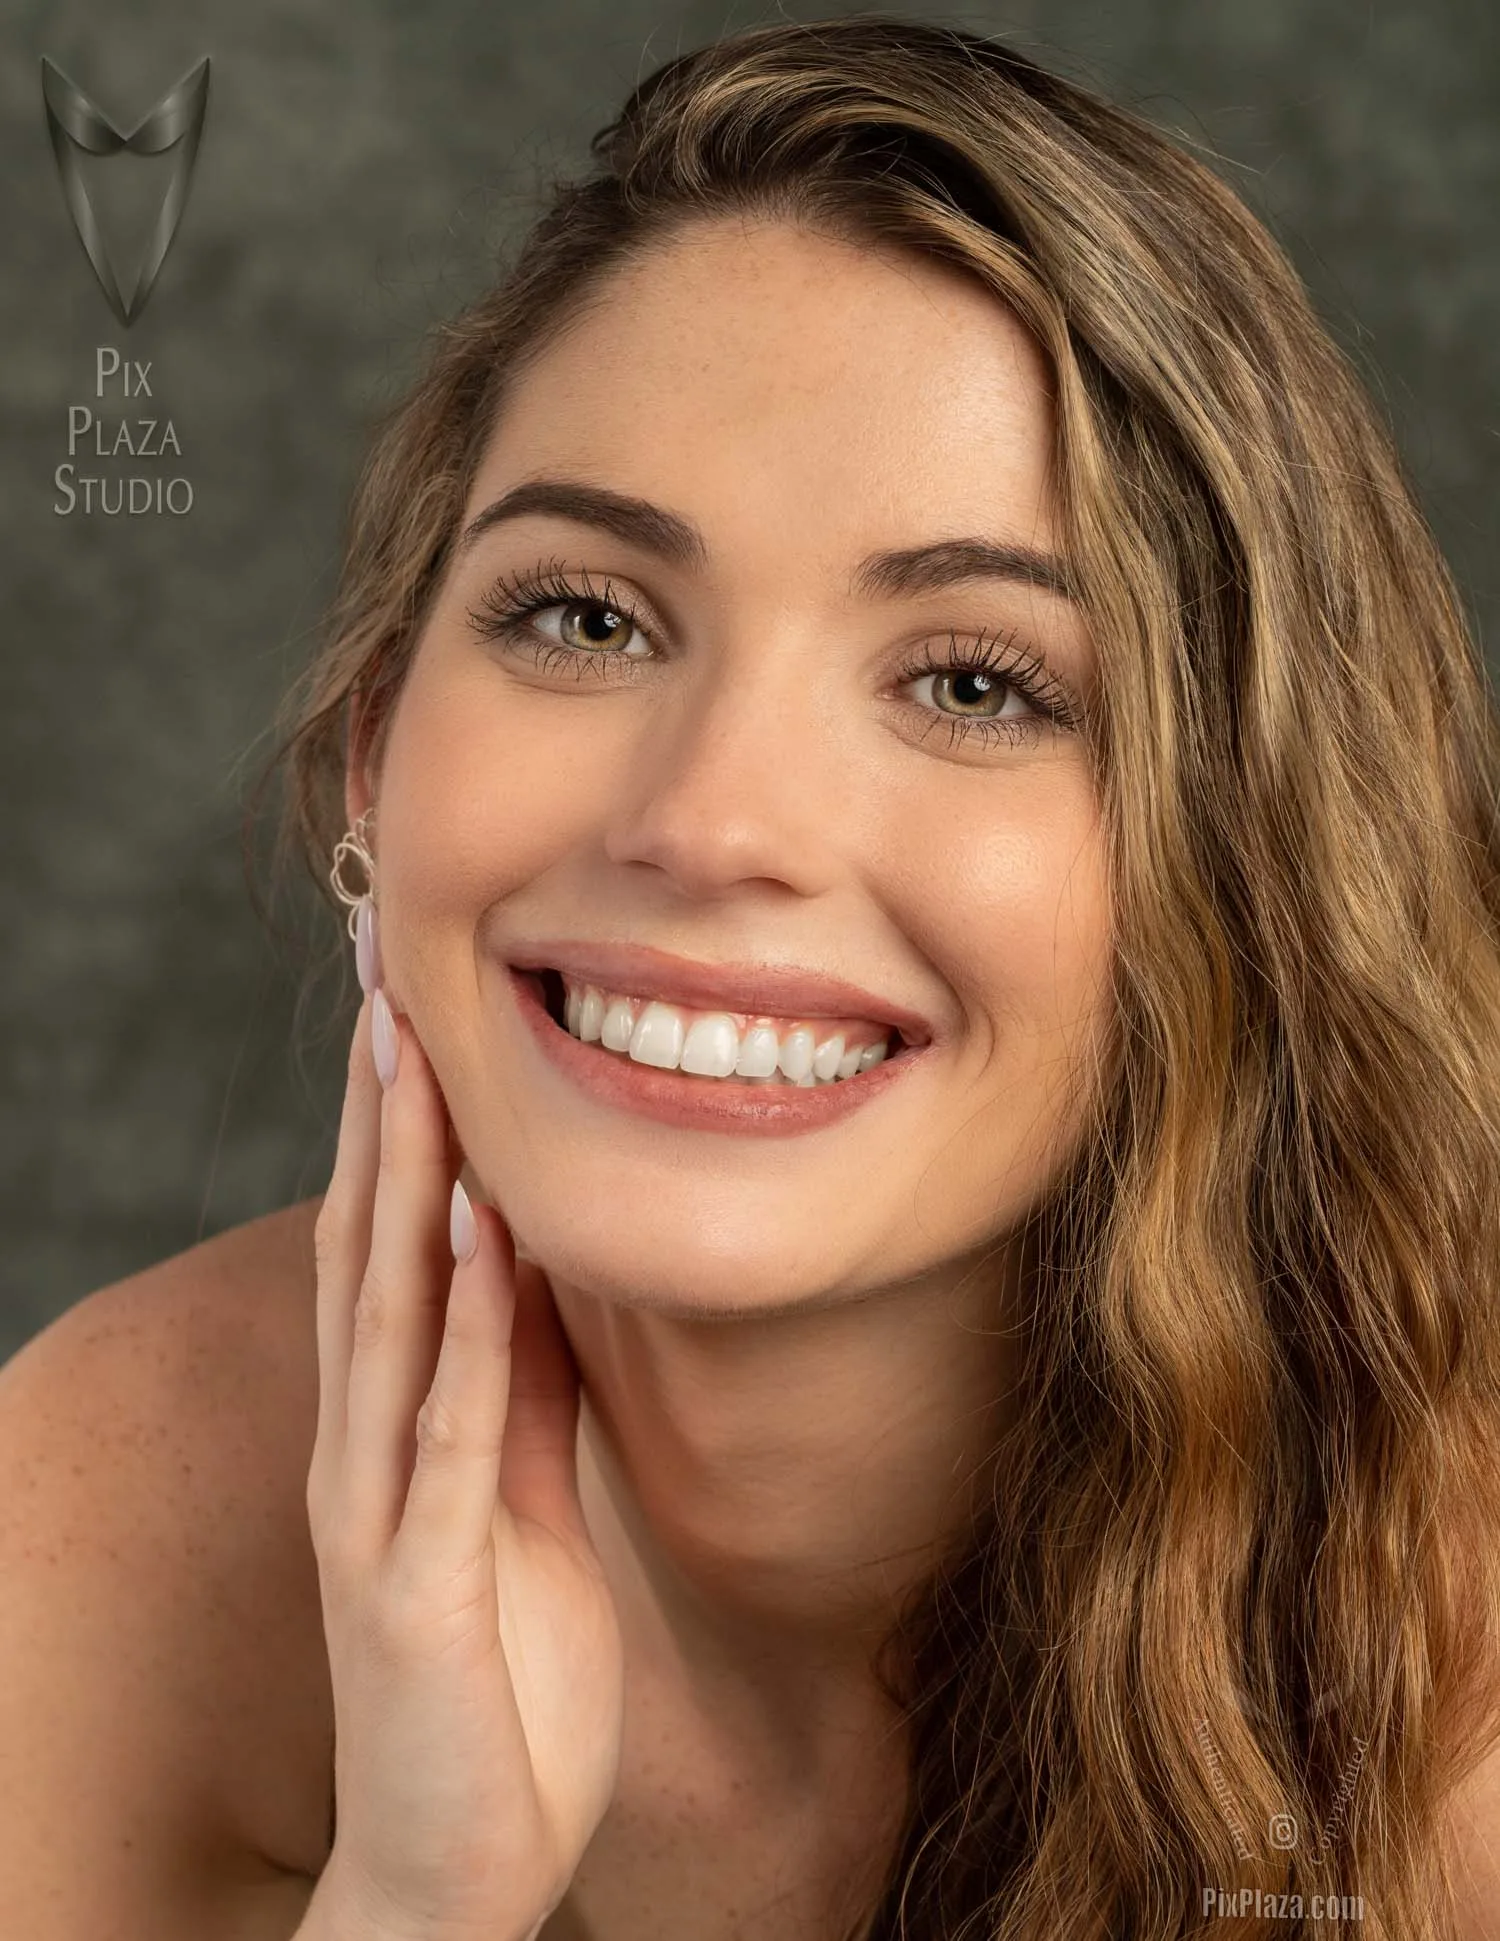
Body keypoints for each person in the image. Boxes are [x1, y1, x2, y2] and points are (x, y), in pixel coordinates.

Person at [5, 14, 1500, 1940]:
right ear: (376, 754)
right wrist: (418, 1894)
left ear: (1249, 861)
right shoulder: (113, 1517)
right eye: (588, 616)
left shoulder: (1452, 1667)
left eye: (975, 682)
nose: (710, 824)